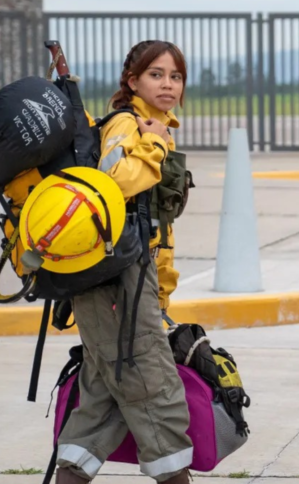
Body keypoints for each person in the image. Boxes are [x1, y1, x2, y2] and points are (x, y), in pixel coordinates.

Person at [55, 40, 194, 483]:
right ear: (132, 81)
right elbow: (115, 185)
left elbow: (153, 225)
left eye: (175, 76)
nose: (168, 84)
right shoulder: (128, 125)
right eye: (156, 74)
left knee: (102, 398)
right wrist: (153, 145)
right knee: (155, 388)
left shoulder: (153, 125)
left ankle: (72, 473)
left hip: (130, 283)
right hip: (120, 285)